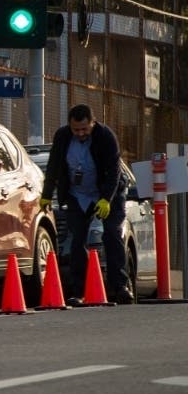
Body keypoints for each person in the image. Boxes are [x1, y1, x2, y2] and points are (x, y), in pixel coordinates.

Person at [40, 103, 130, 304]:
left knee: (112, 233)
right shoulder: (62, 137)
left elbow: (114, 171)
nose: (80, 133)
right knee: (77, 239)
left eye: (84, 129)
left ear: (93, 123)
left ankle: (119, 286)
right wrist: (47, 194)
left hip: (107, 194)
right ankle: (79, 291)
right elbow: (54, 164)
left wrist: (106, 199)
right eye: (76, 130)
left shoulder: (106, 136)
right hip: (77, 194)